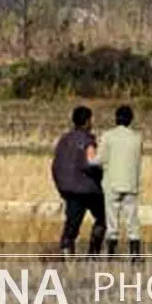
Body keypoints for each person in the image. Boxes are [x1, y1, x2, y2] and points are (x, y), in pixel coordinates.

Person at [51, 105, 105, 256]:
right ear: (88, 121)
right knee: (103, 217)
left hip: (66, 187)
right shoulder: (88, 141)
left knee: (72, 221)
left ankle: (66, 252)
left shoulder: (64, 139)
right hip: (85, 188)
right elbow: (91, 163)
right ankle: (93, 254)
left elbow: (56, 163)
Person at [98, 105, 143, 259]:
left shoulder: (108, 136)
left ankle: (111, 254)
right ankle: (135, 255)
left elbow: (100, 159)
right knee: (132, 221)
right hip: (131, 183)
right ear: (131, 120)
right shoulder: (137, 138)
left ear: (116, 118)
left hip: (112, 183)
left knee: (112, 221)